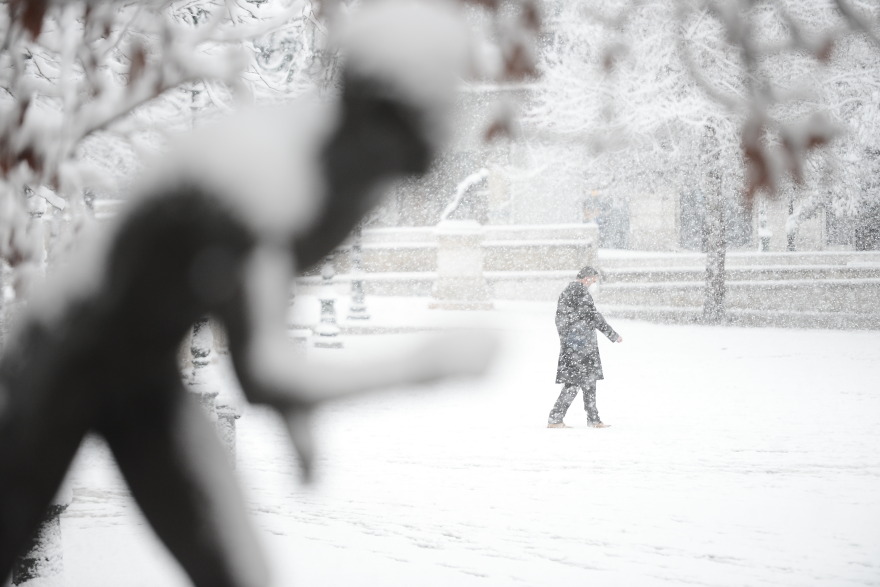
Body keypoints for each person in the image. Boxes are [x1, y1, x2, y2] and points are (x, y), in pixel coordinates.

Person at [548, 265, 622, 429]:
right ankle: (560, 418)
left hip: (574, 346)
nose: (593, 284)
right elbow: (593, 316)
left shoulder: (567, 293)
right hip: (581, 347)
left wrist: (566, 340)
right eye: (593, 280)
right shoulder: (580, 292)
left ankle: (591, 419)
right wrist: (612, 334)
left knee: (583, 383)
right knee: (578, 383)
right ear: (587, 278)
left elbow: (560, 320)